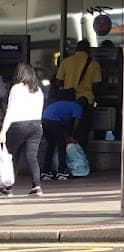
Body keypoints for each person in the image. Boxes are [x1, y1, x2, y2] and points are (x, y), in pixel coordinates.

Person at [0, 62, 46, 196]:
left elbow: (11, 110)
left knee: (12, 155)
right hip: (36, 125)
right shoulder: (38, 90)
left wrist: (3, 130)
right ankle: (37, 186)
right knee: (32, 156)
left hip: (18, 125)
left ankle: (8, 187)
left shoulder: (17, 88)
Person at [54, 39, 101, 154]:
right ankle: (80, 158)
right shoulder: (94, 64)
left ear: (76, 49)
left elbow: (58, 81)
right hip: (84, 102)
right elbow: (97, 84)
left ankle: (65, 160)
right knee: (82, 132)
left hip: (68, 102)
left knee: (66, 131)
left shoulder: (66, 62)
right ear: (88, 50)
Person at [40, 93, 82, 181]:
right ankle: (61, 171)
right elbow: (76, 122)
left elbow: (64, 126)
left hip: (44, 119)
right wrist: (72, 135)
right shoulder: (77, 106)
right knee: (61, 146)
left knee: (50, 146)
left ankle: (45, 172)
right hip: (54, 121)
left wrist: (67, 134)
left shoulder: (62, 105)